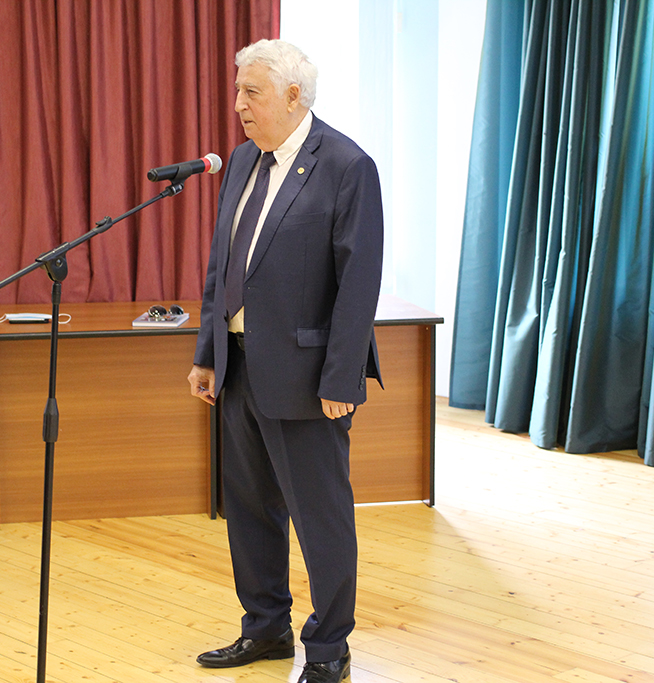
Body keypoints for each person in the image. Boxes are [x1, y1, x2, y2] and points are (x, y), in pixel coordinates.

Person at [187, 39, 384, 683]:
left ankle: (328, 649)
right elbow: (223, 267)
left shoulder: (347, 166)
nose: (238, 104)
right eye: (238, 91)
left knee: (320, 518)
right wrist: (208, 353)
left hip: (308, 377)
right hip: (239, 368)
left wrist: (342, 378)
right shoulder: (244, 159)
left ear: (293, 96)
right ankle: (266, 627)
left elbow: (358, 285)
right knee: (249, 509)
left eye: (252, 92)